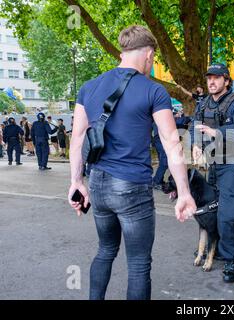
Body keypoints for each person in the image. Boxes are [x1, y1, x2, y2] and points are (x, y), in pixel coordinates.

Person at [68, 25, 196, 300]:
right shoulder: (154, 91)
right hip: (131, 187)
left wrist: (76, 182)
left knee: (105, 250)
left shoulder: (89, 87)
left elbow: (77, 138)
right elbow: (171, 142)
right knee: (138, 264)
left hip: (98, 182)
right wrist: (184, 193)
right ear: (149, 54)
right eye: (154, 59)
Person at [190, 63, 234, 283]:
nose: (212, 82)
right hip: (214, 164)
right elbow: (195, 125)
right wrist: (196, 144)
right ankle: (216, 249)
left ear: (227, 81)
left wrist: (217, 132)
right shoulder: (204, 104)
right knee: (211, 210)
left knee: (229, 213)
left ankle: (232, 259)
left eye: (217, 78)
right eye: (209, 77)